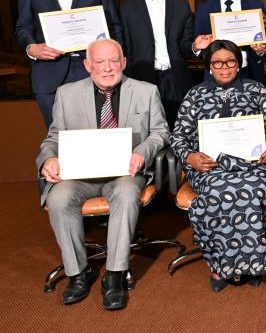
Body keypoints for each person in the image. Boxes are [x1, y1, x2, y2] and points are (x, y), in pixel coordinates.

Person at [36, 38, 168, 310]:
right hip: (78, 176)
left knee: (127, 192)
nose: (107, 68)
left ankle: (114, 275)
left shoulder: (146, 91)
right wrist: (49, 158)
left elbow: (161, 133)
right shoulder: (66, 94)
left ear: (123, 63)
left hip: (124, 173)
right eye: (99, 62)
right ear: (87, 65)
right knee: (58, 199)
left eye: (113, 61)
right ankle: (78, 272)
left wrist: (142, 151)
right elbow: (53, 138)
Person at [170, 39, 266, 292]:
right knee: (219, 191)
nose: (225, 68)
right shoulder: (196, 94)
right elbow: (177, 136)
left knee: (254, 188)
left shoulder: (256, 90)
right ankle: (220, 265)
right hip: (208, 166)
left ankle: (251, 264)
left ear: (239, 63)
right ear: (209, 66)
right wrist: (190, 157)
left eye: (231, 61)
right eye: (218, 63)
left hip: (251, 164)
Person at [15, 0, 123, 127]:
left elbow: (114, 25)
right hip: (48, 75)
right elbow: (23, 26)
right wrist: (32, 47)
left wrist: (113, 61)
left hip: (94, 71)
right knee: (59, 143)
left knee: (98, 139)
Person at [120, 0, 208, 128]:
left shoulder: (181, 6)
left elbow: (184, 46)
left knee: (180, 128)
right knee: (146, 129)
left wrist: (195, 46)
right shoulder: (126, 7)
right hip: (141, 77)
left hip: (175, 77)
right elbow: (125, 46)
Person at [194, 0, 266, 84]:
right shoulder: (203, 9)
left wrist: (261, 51)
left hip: (250, 75)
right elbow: (199, 48)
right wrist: (198, 48)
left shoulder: (256, 6)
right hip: (216, 78)